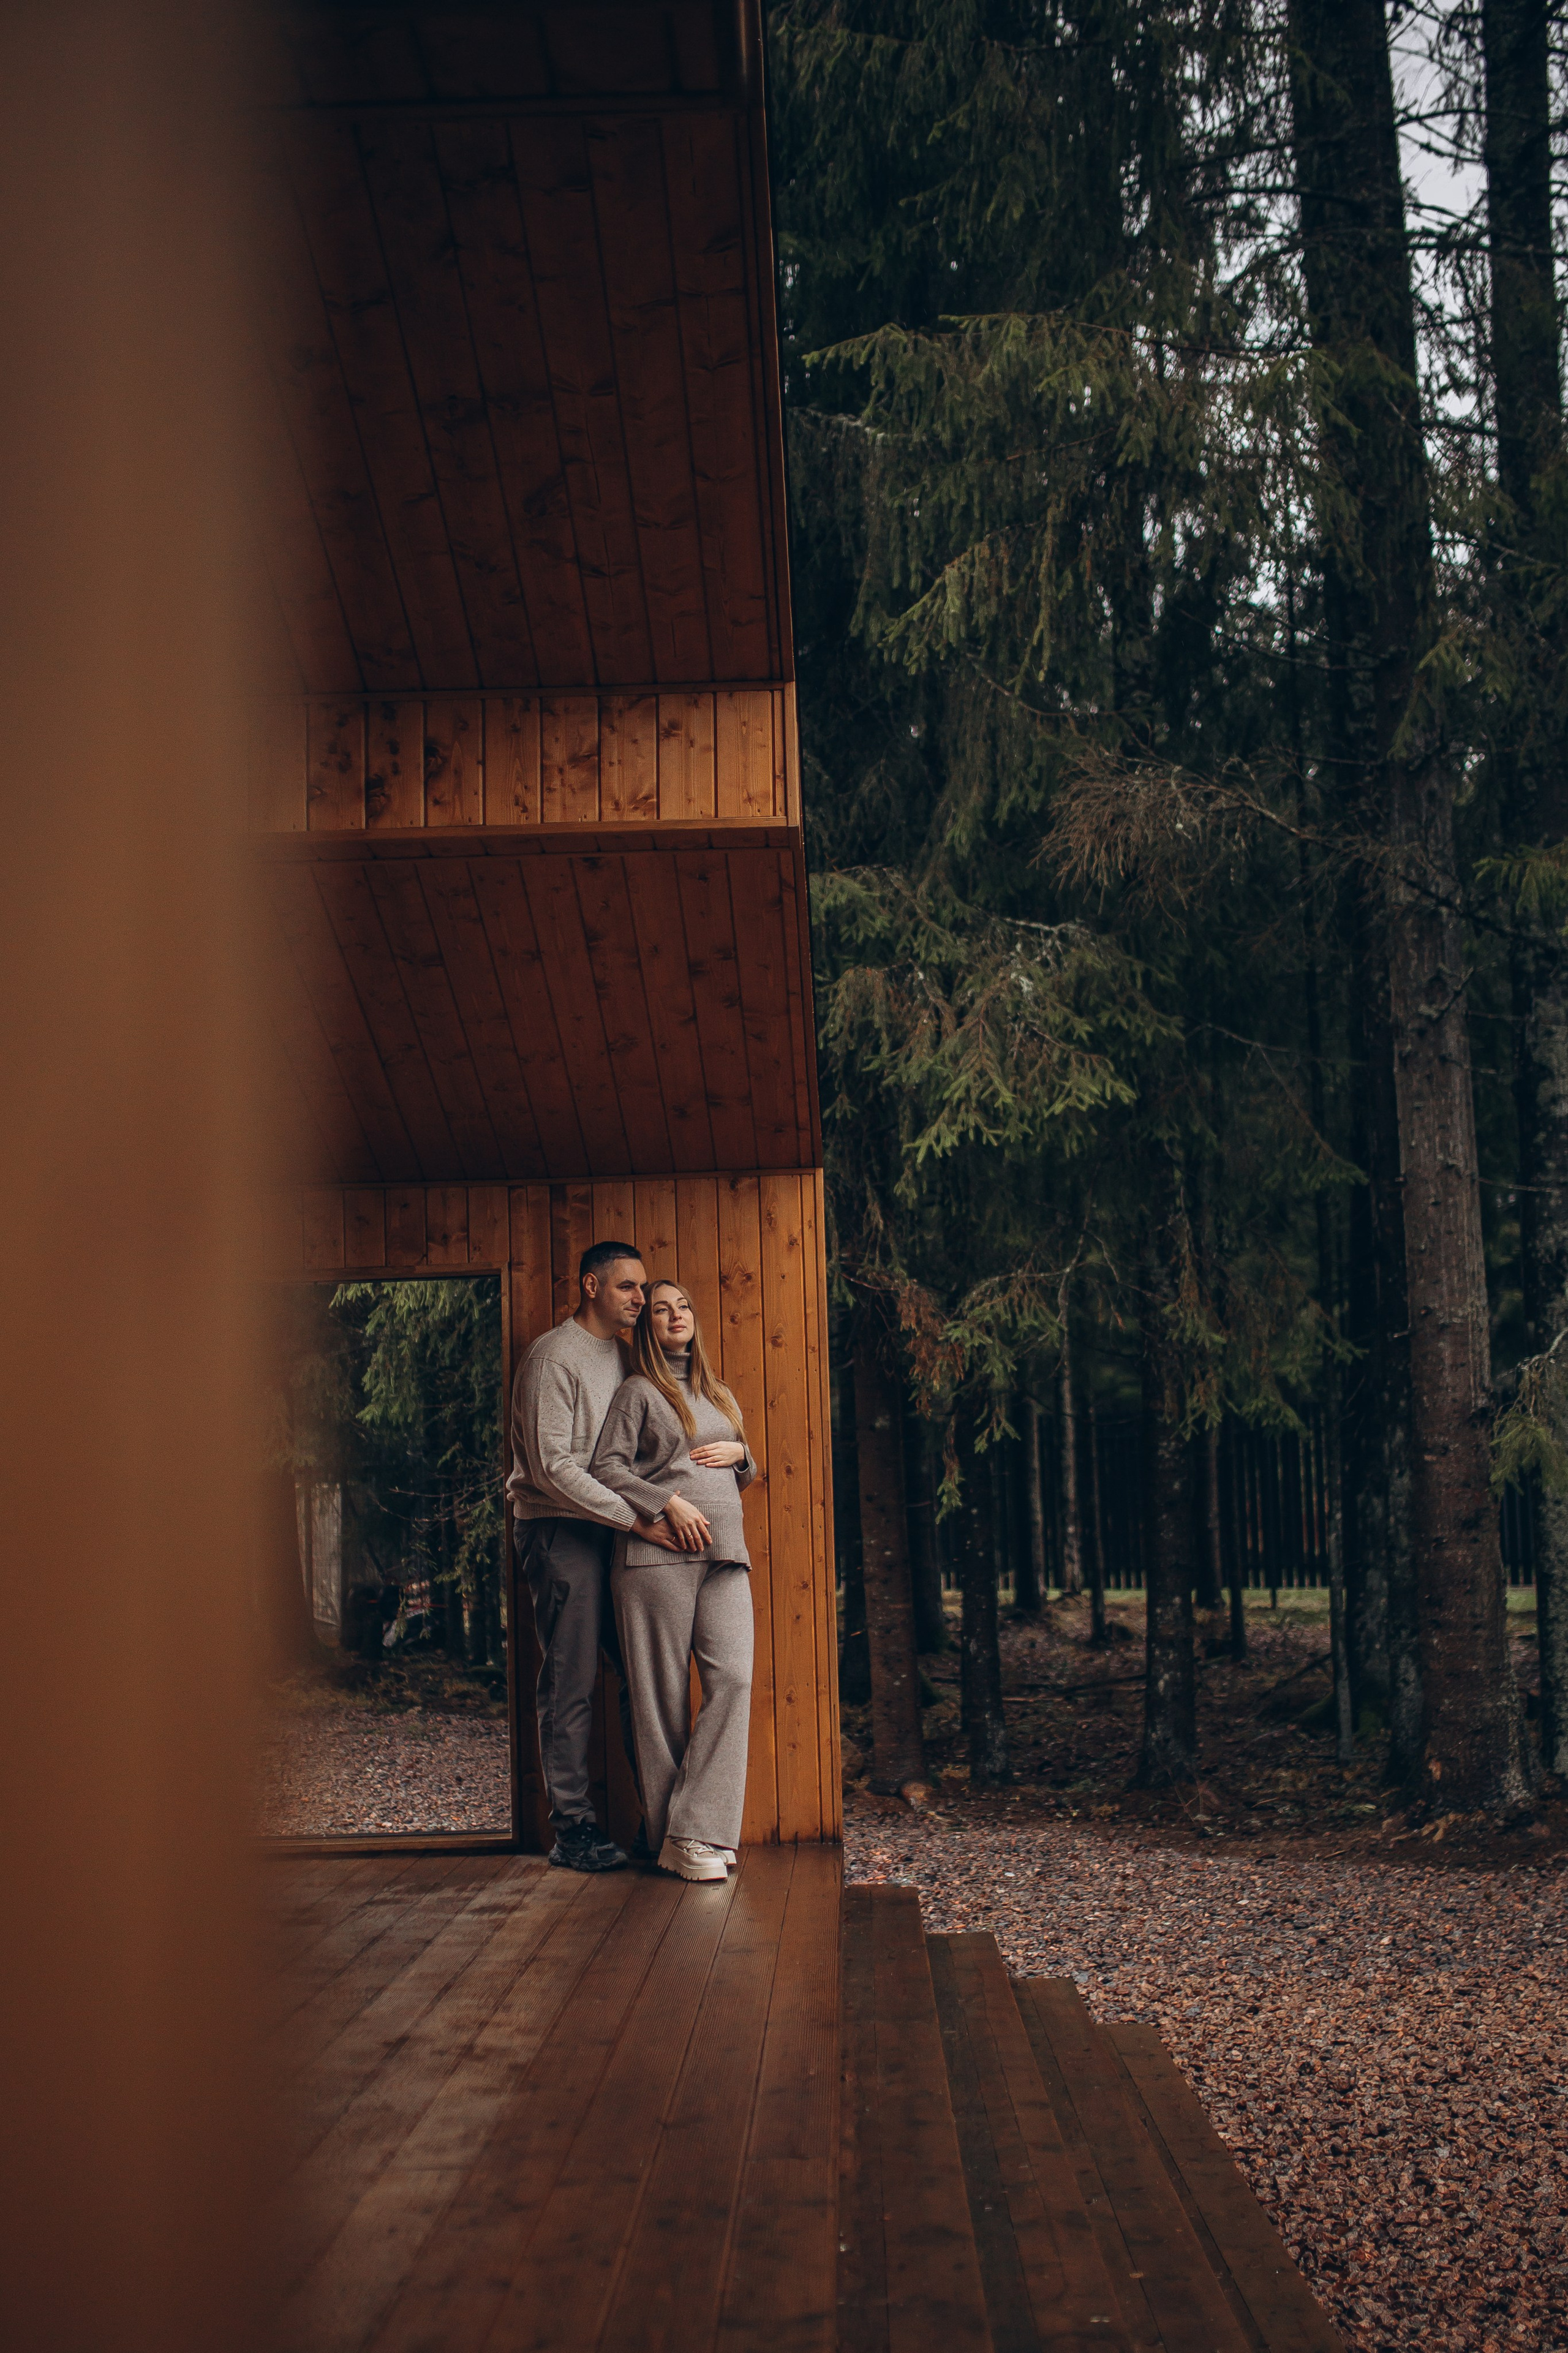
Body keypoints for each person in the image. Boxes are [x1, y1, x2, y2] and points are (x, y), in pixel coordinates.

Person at [508, 1242, 710, 1872]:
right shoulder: (553, 1357)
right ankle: (572, 1829)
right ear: (591, 1286)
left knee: (645, 1676)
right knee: (570, 1680)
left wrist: (737, 1456)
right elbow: (552, 1467)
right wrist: (640, 1518)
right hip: (561, 1530)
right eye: (628, 1287)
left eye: (644, 1288)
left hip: (619, 1532)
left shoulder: (628, 1358)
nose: (641, 1299)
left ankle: (665, 1822)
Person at [590, 1279, 756, 1883]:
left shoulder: (719, 1393)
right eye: (660, 1309)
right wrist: (666, 1501)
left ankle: (695, 1827)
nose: (675, 1314)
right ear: (647, 1328)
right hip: (655, 1559)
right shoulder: (638, 1391)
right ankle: (678, 1839)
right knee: (660, 1704)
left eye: (682, 1305)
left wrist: (743, 1455)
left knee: (733, 1680)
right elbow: (605, 1468)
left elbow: (737, 1475)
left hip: (725, 1554)